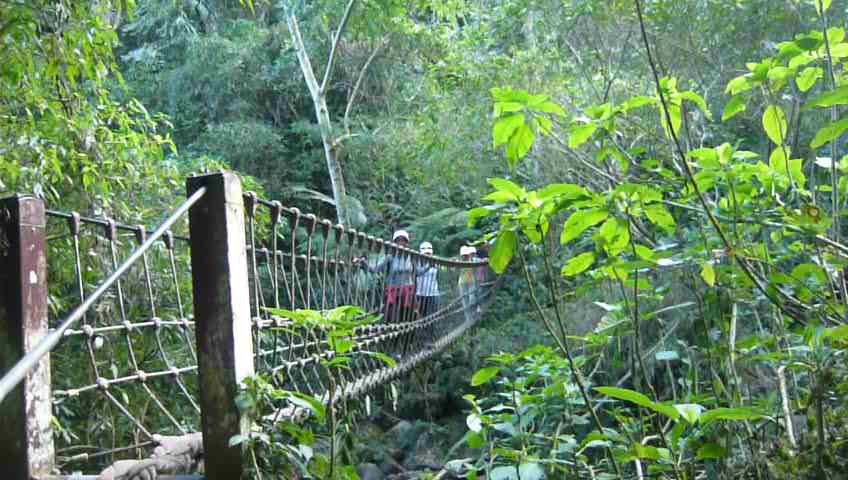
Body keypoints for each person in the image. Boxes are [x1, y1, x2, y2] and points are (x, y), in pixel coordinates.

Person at [359, 229, 415, 323]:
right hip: (393, 292)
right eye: (398, 240)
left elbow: (416, 273)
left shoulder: (411, 257)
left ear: (407, 242)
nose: (401, 243)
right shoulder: (390, 258)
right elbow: (375, 270)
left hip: (407, 292)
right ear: (395, 243)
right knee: (393, 318)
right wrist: (364, 263)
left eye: (403, 240)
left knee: (407, 318)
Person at [416, 241, 440, 318]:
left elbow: (438, 276)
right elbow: (417, 273)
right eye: (425, 253)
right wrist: (428, 266)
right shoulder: (417, 262)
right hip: (421, 293)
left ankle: (432, 330)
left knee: (433, 316)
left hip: (433, 293)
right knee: (422, 316)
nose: (427, 254)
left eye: (428, 253)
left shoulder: (436, 261)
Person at [458, 245, 478, 322]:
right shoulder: (458, 262)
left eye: (466, 255)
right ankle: (468, 320)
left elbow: (480, 260)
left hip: (471, 282)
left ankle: (473, 315)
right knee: (465, 302)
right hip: (462, 283)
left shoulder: (473, 260)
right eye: (463, 255)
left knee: (472, 299)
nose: (465, 256)